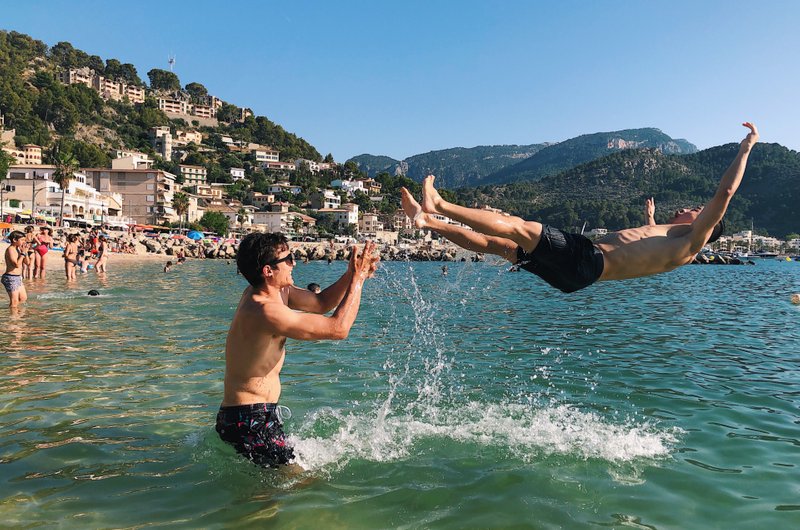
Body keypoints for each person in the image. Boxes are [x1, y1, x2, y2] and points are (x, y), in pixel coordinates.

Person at [401, 123, 759, 293]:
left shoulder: (694, 239)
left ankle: (440, 204)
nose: (688, 208)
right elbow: (641, 247)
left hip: (588, 258)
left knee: (516, 226)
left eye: (697, 208)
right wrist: (649, 219)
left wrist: (745, 149)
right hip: (579, 277)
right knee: (499, 247)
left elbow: (725, 192)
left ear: (709, 225)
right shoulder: (675, 240)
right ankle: (427, 221)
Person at [216, 233, 380, 468]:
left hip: (257, 414)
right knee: (297, 484)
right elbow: (338, 329)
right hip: (248, 419)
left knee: (285, 487)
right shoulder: (265, 311)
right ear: (268, 271)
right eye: (288, 259)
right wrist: (359, 280)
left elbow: (321, 303)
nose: (294, 263)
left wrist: (350, 274)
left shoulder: (280, 292)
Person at [2, 231, 31, 307]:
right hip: (10, 277)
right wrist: (22, 254)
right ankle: (13, 318)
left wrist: (25, 252)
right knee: (14, 301)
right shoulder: (10, 249)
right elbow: (16, 264)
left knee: (23, 298)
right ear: (15, 240)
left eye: (24, 240)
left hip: (18, 277)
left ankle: (17, 315)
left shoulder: (18, 249)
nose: (24, 242)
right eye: (22, 240)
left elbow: (27, 263)